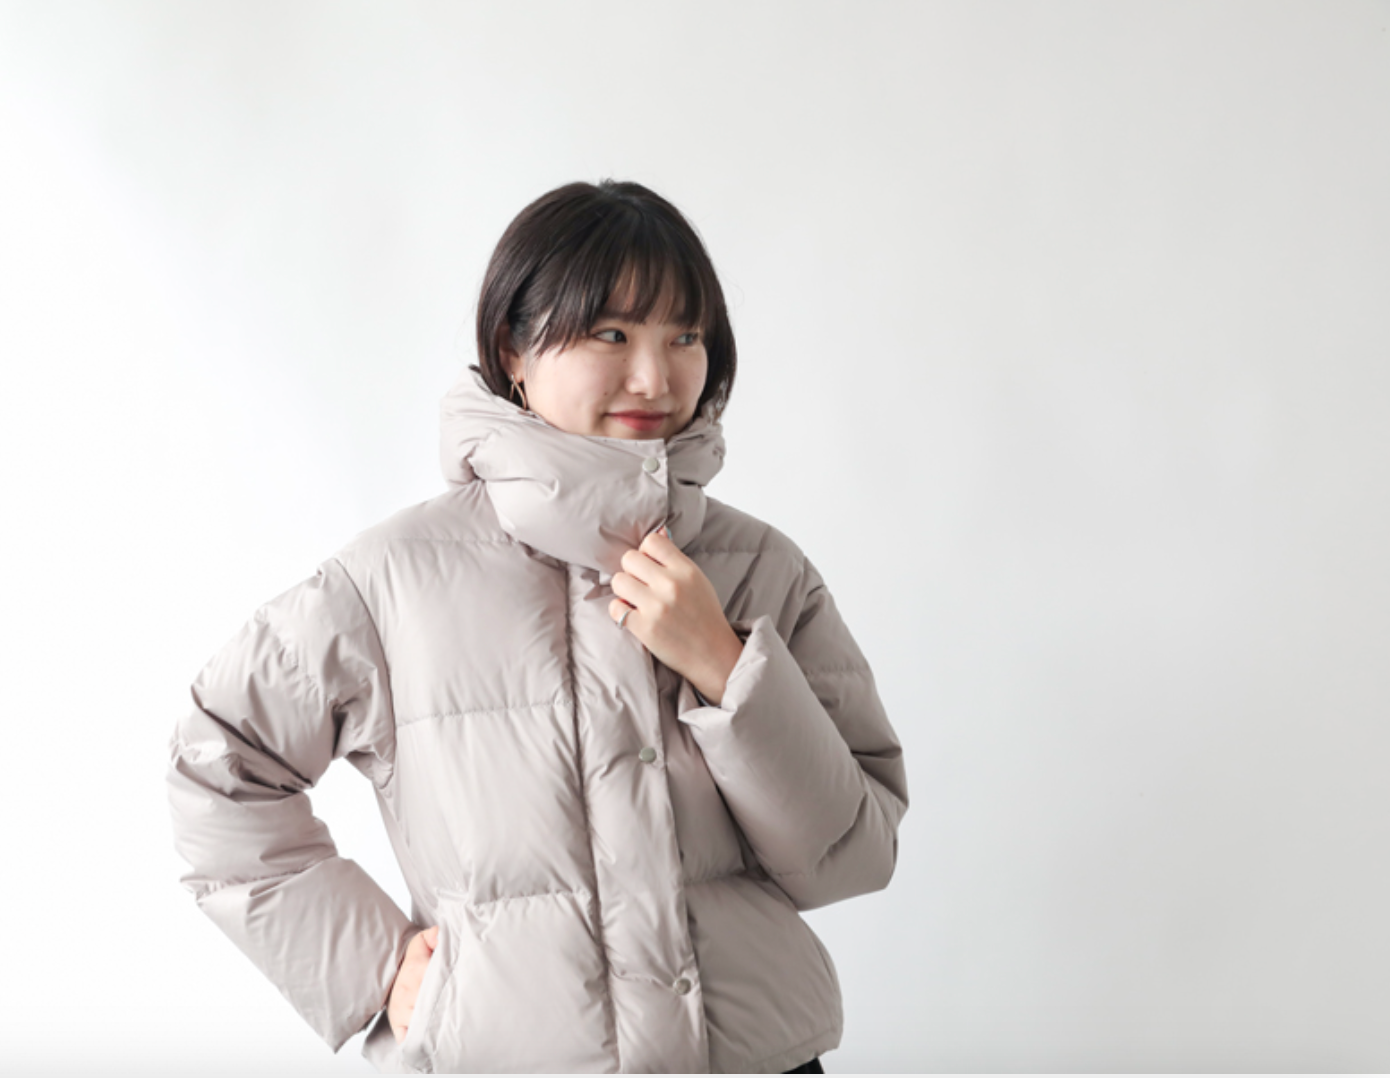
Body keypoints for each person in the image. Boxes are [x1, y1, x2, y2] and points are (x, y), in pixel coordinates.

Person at [166, 179, 909, 1074]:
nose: (655, 376)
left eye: (685, 336)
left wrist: (726, 667)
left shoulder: (764, 570)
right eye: (612, 334)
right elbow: (217, 764)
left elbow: (852, 858)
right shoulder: (393, 581)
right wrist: (375, 969)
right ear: (514, 349)